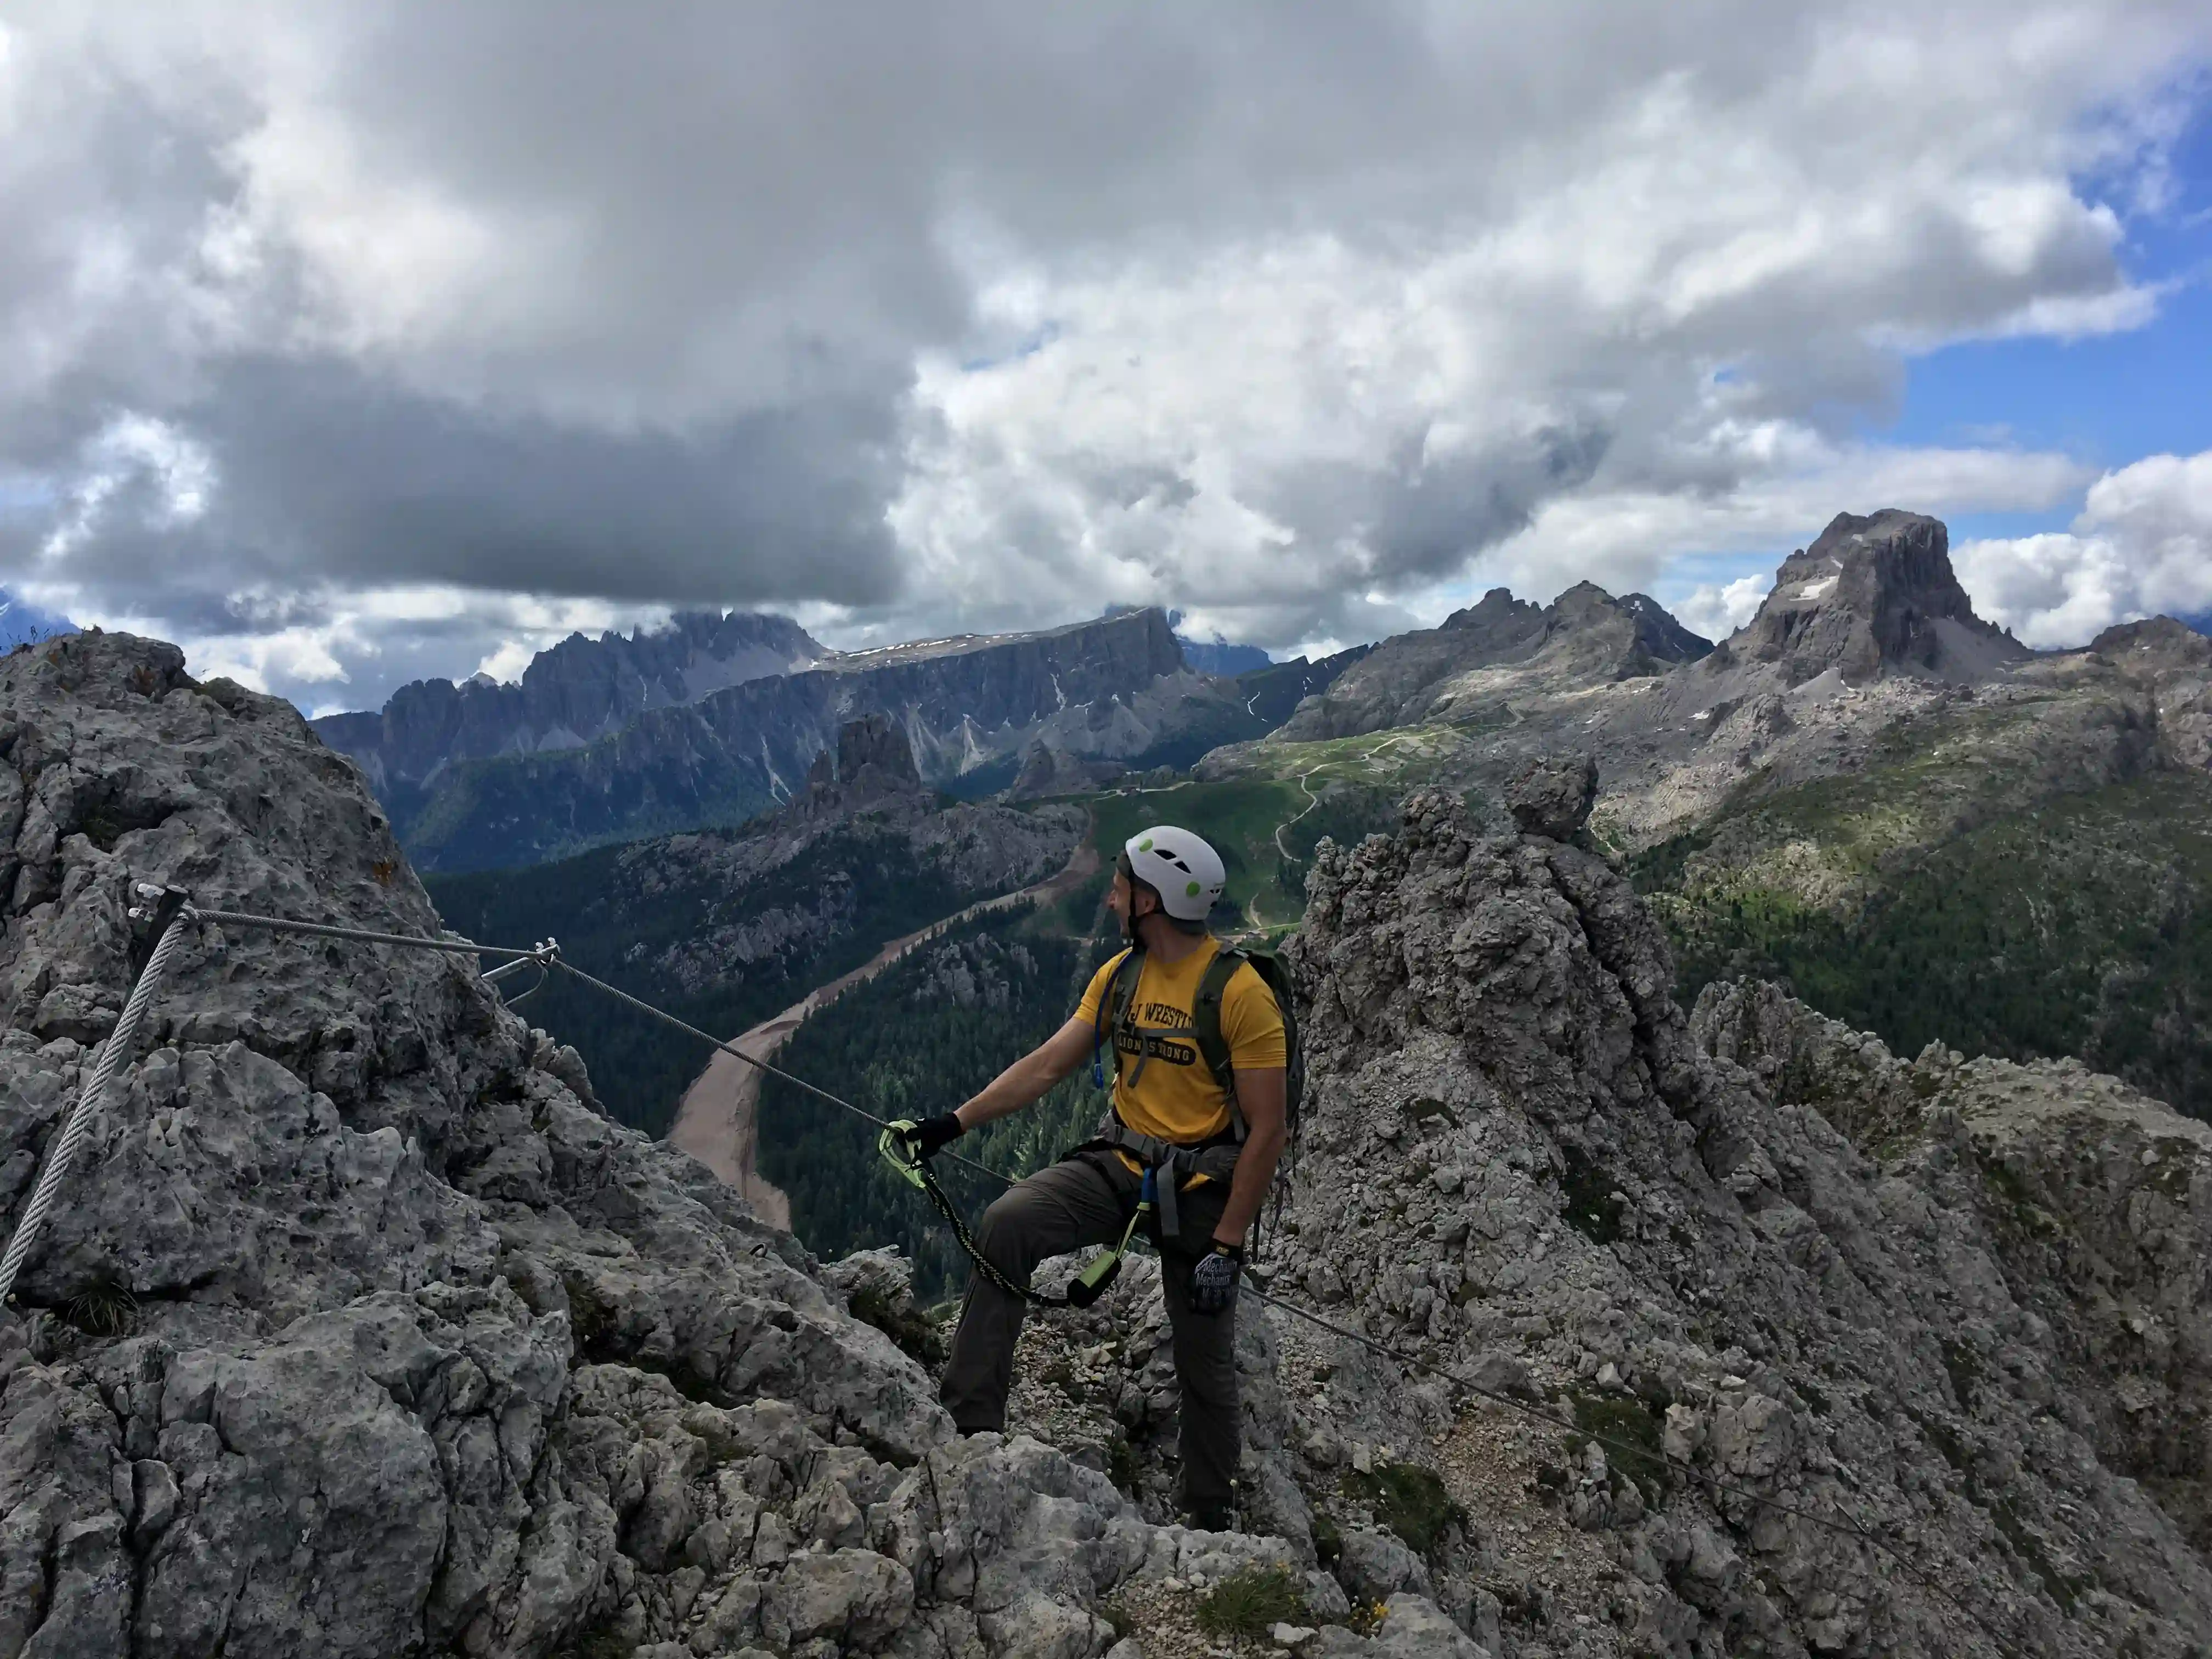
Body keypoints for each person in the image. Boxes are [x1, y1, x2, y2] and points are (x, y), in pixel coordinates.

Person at [892, 826, 1287, 1532]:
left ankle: (1209, 1513)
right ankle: (971, 1426)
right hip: (1121, 1165)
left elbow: (1267, 1130)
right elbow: (1047, 1066)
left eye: (1122, 887)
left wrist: (1226, 1247)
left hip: (1203, 1191)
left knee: (1204, 1353)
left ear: (1154, 901)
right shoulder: (1121, 976)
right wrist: (952, 1124)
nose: (1110, 897)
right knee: (1007, 1226)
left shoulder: (1241, 995)